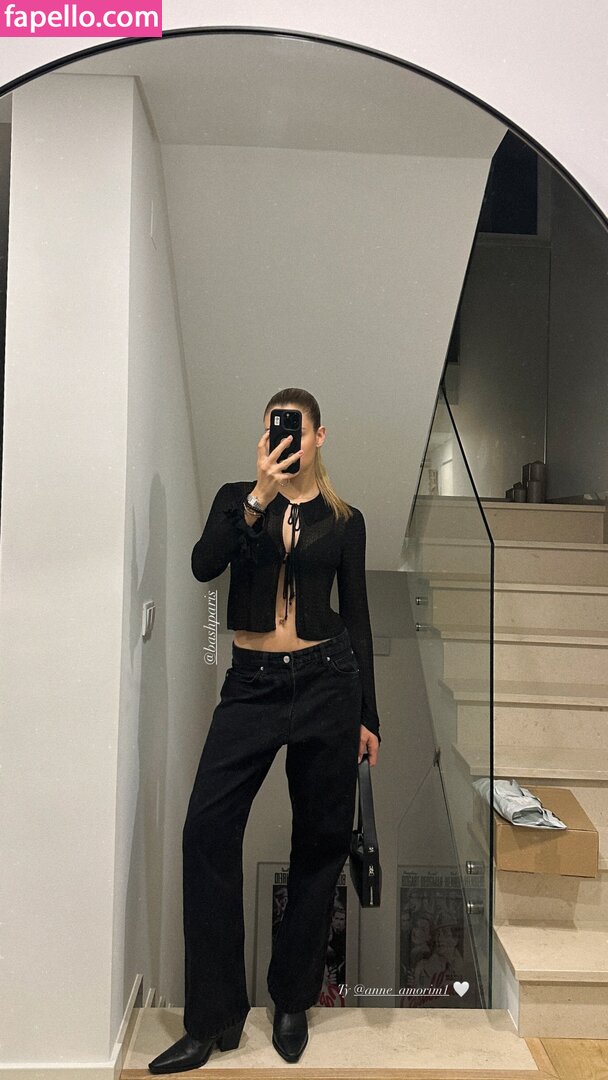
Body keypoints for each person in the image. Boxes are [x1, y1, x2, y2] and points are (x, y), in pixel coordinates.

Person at [149, 387, 381, 1074]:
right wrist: (258, 495)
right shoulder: (237, 498)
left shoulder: (346, 520)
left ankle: (291, 1000)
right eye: (274, 430)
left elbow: (358, 616)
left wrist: (368, 715)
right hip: (250, 684)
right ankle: (212, 1018)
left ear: (319, 436)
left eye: (295, 430)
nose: (284, 440)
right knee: (206, 830)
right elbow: (204, 565)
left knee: (321, 841)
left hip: (328, 682)